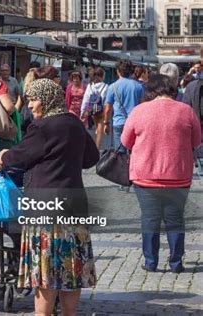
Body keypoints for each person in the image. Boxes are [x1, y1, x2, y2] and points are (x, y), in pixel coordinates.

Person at [0, 78, 99, 316]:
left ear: (45, 99)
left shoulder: (42, 127)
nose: (30, 105)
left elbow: (18, 158)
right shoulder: (74, 123)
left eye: (33, 99)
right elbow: (91, 157)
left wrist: (4, 154)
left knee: (46, 271)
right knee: (71, 268)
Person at [121, 74, 201, 273]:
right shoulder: (186, 111)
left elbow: (125, 141)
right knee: (176, 219)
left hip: (145, 175)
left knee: (149, 219)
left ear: (150, 91)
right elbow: (197, 141)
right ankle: (176, 263)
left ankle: (150, 262)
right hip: (178, 175)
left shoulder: (139, 111)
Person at [103, 60, 144, 151]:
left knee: (120, 153)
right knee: (133, 150)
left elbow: (108, 108)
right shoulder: (138, 86)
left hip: (119, 122)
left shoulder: (112, 87)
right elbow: (142, 106)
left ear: (118, 71)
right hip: (134, 123)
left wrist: (106, 123)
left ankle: (122, 164)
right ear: (130, 72)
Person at [81, 67, 108, 150]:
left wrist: (83, 111)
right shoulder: (105, 86)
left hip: (92, 110)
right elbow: (106, 100)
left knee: (97, 129)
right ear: (102, 76)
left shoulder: (90, 86)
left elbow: (86, 99)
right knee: (100, 131)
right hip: (101, 110)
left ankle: (94, 145)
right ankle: (97, 149)